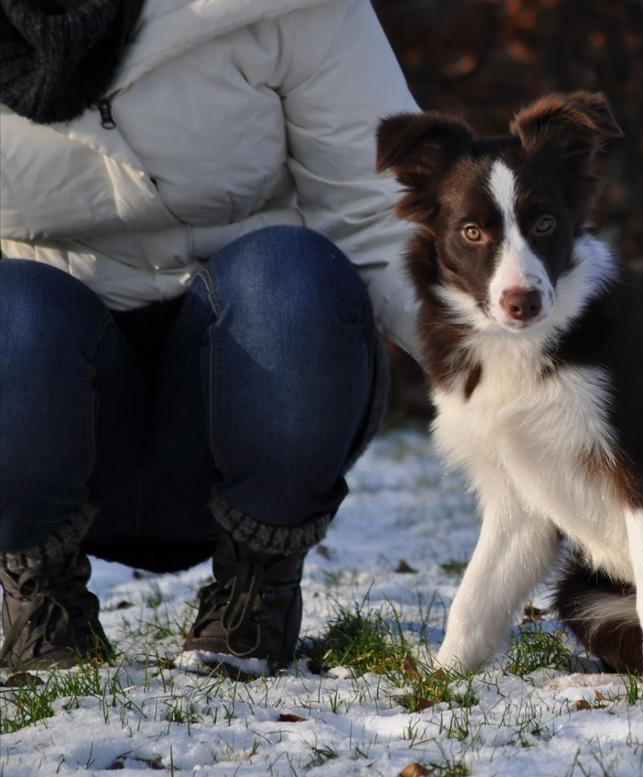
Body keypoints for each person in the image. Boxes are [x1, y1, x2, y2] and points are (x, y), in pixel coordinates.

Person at [0, 0, 420, 673]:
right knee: (10, 307)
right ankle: (41, 596)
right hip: (50, 416)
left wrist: (525, 391)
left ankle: (256, 588)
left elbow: (383, 214)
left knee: (292, 274)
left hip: (256, 385)